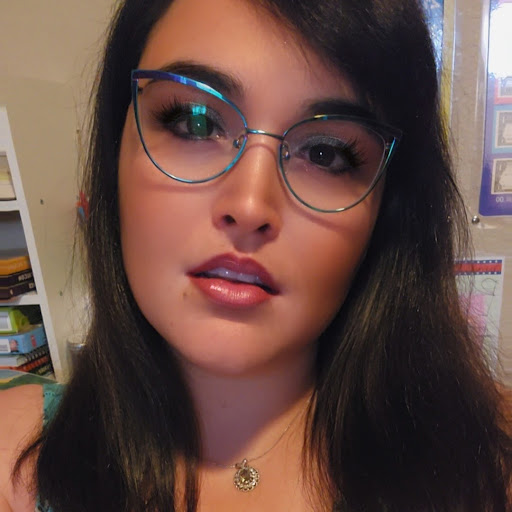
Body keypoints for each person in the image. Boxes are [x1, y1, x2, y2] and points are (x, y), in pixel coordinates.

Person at [1, 0, 511, 510]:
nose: (249, 206)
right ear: (116, 148)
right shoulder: (15, 461)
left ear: (388, 208)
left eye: (326, 154)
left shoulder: (487, 467)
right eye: (196, 123)